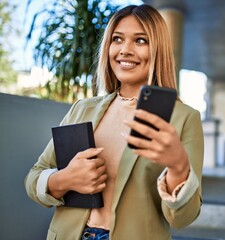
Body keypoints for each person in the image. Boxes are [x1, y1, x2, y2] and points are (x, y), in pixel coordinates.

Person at [25, 4, 204, 240]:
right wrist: (65, 178)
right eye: (117, 39)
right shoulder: (82, 109)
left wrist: (179, 167)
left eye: (140, 41)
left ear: (158, 49)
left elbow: (183, 218)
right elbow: (34, 179)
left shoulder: (184, 118)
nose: (125, 50)